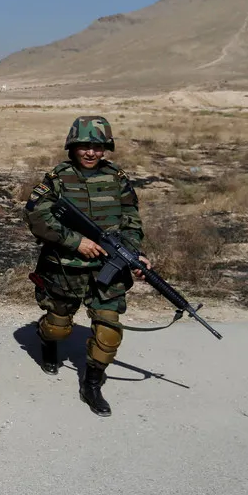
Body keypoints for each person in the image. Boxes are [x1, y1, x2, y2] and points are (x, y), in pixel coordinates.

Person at [22, 116, 151, 417]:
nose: (91, 153)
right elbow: (36, 216)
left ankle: (92, 384)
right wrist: (74, 241)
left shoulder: (116, 178)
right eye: (84, 146)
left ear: (106, 147)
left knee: (109, 332)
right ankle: (47, 342)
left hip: (109, 268)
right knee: (57, 326)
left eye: (97, 146)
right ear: (73, 146)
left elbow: (131, 219)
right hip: (65, 269)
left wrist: (134, 254)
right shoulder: (57, 177)